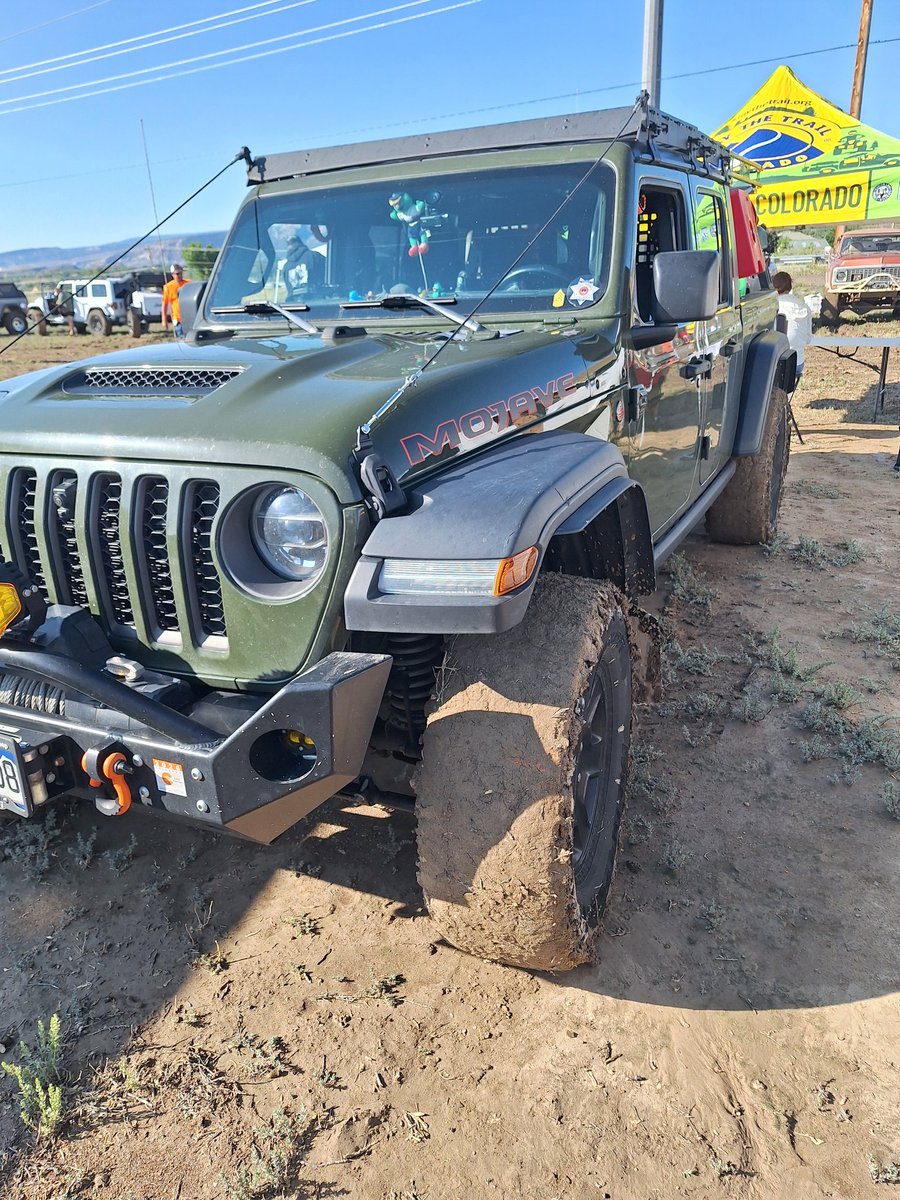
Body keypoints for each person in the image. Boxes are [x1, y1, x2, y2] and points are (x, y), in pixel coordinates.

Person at [772, 270, 812, 380]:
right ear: (790, 286)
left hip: (777, 363)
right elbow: (808, 339)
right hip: (798, 362)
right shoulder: (804, 306)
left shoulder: (773, 306)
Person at [162, 263, 190, 338]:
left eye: (181, 273)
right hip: (178, 321)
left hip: (189, 318)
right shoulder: (168, 287)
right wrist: (164, 320)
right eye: (177, 273)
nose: (179, 275)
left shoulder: (188, 284)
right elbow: (164, 304)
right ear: (172, 274)